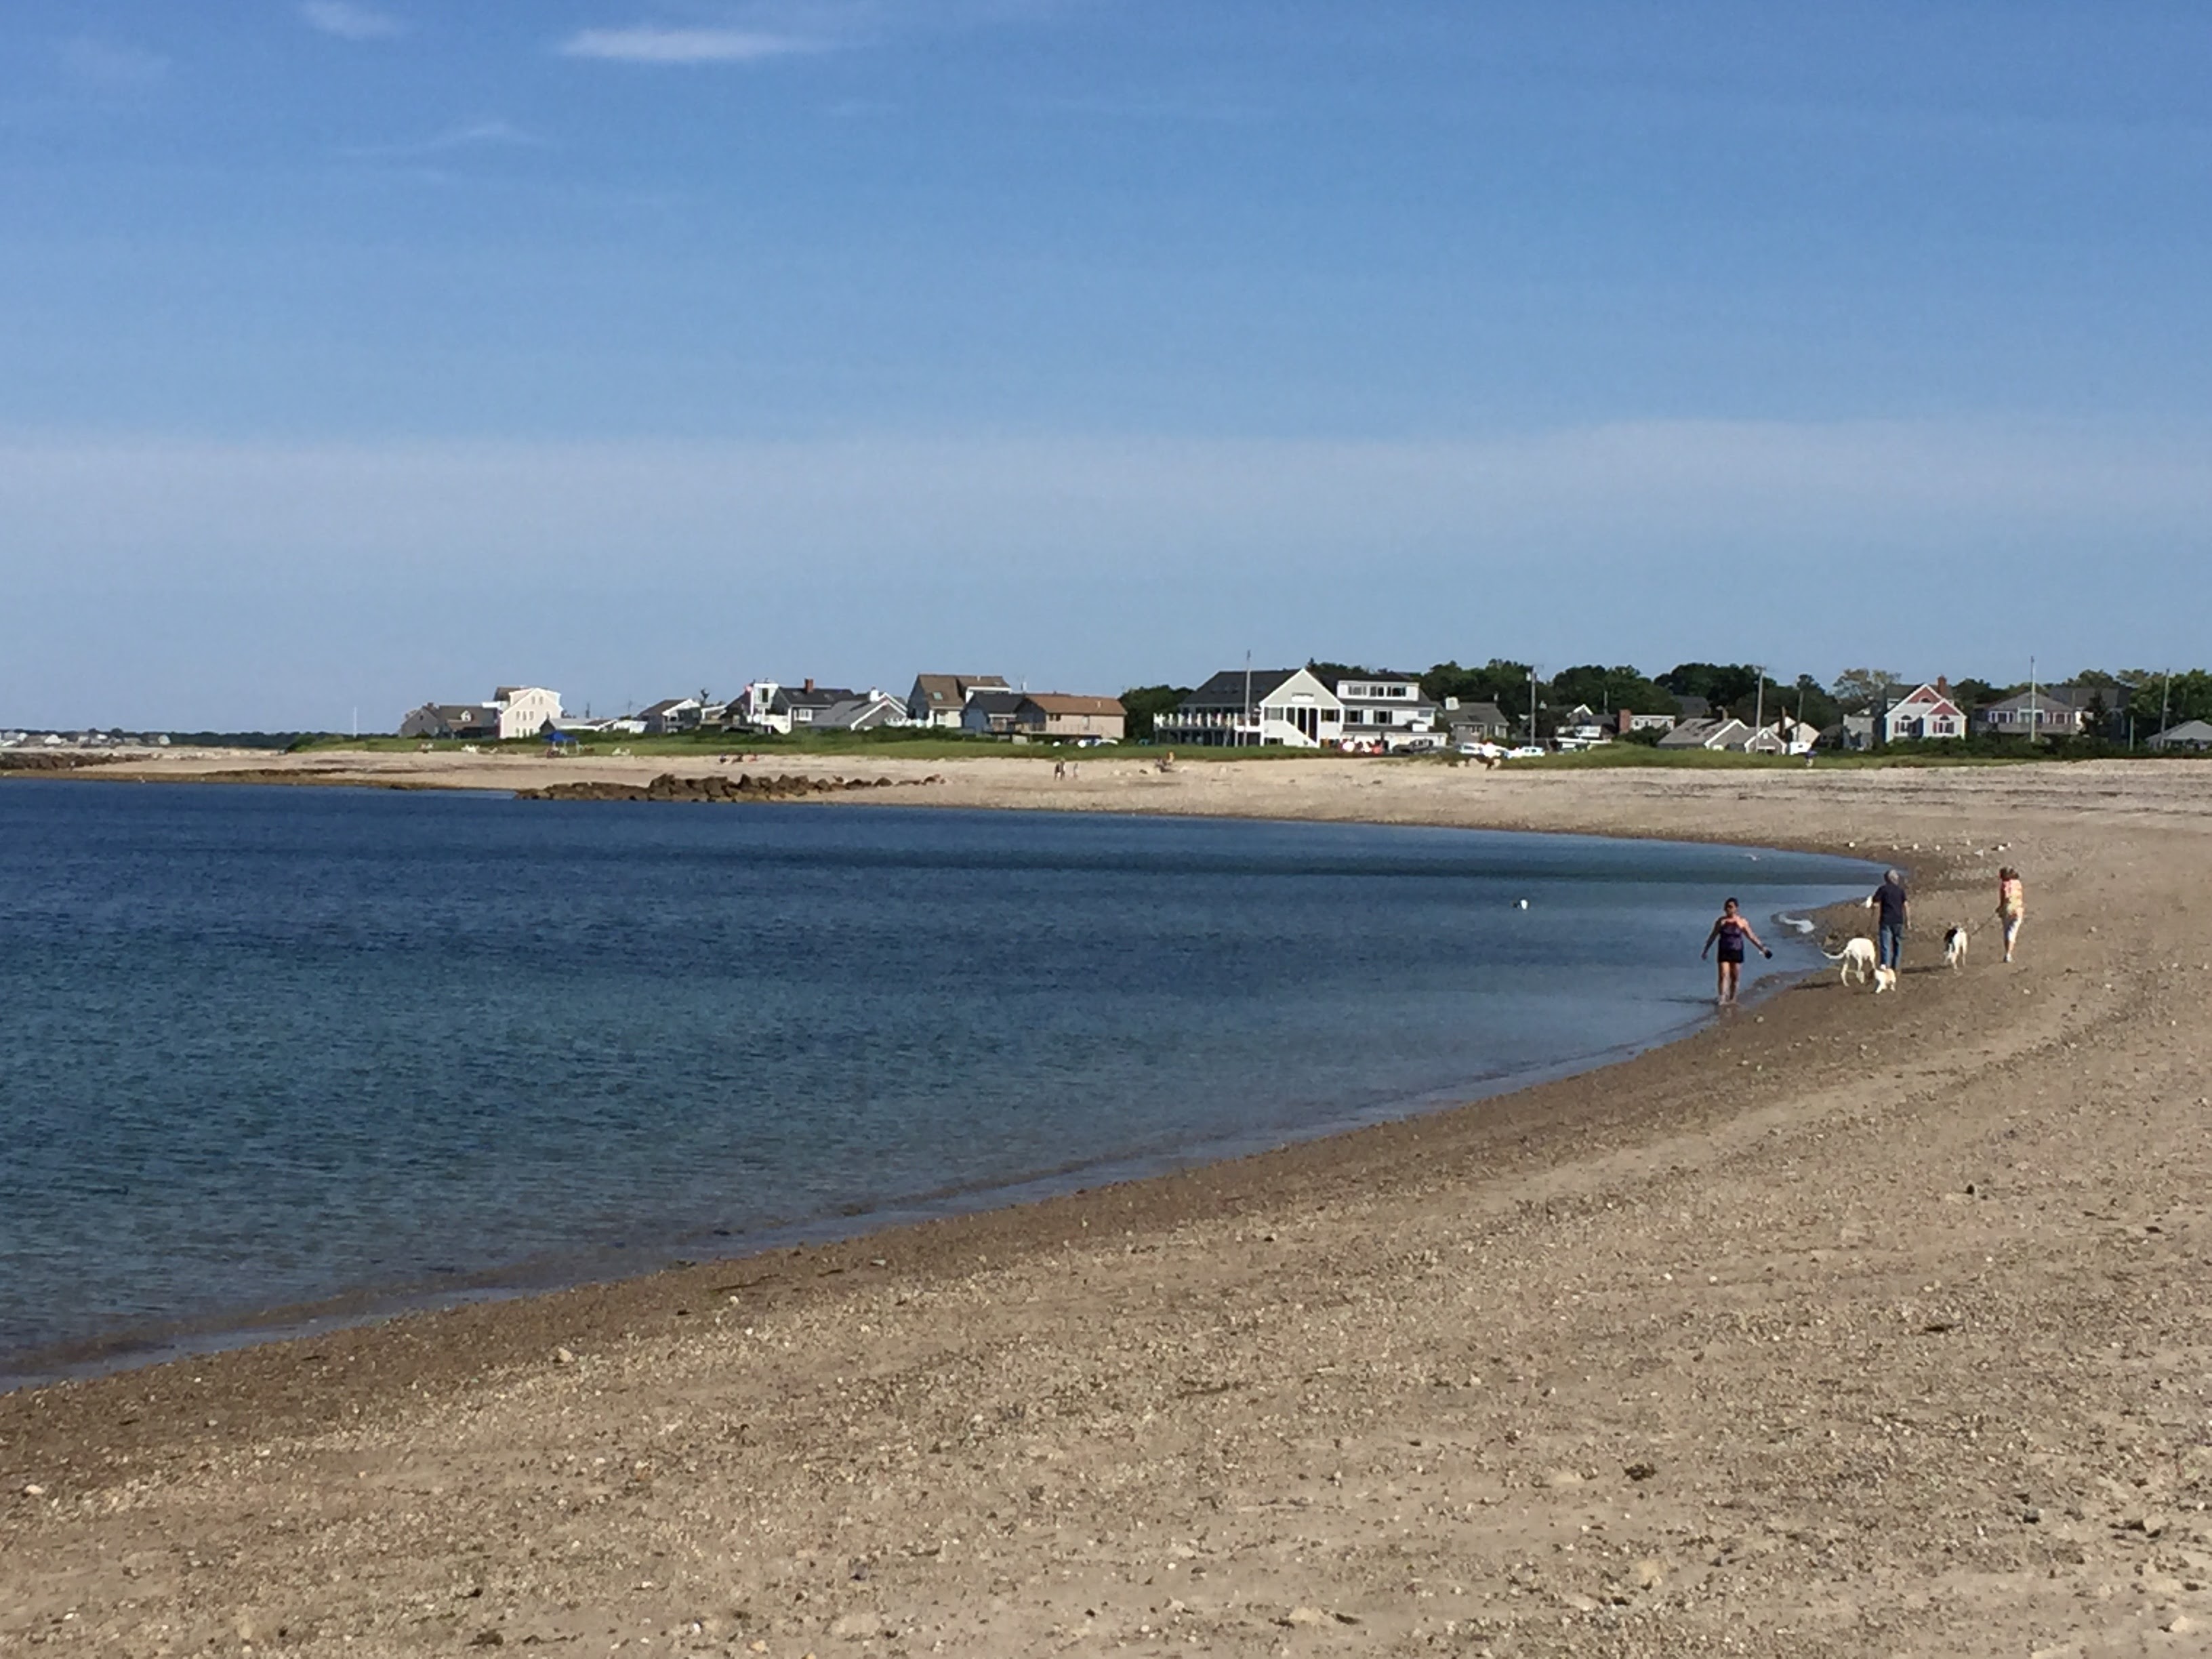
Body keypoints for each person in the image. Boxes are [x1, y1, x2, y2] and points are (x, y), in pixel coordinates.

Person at [1701, 897, 1773, 1006]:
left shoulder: (1742, 922)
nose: (1728, 909)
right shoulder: (1721, 921)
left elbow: (1751, 937)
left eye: (1730, 907)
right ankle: (1722, 998)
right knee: (1723, 974)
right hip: (1724, 951)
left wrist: (1763, 949)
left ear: (1736, 908)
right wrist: (1706, 950)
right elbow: (1713, 936)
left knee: (1735, 976)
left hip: (1737, 951)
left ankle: (1733, 999)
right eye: (1726, 907)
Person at [1870, 867, 1909, 972]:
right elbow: (1905, 906)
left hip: (1886, 920)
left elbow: (1875, 904)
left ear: (1886, 879)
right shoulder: (1900, 891)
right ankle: (1895, 967)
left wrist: (1873, 909)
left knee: (1885, 945)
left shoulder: (1883, 889)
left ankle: (1886, 967)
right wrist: (1908, 920)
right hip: (1898, 920)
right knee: (1897, 944)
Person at [1995, 866, 2026, 963]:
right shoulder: (2018, 883)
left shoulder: (2004, 884)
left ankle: (2008, 954)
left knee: (2007, 931)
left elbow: (2005, 896)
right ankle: (2009, 954)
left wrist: (2000, 907)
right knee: (2013, 931)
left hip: (2007, 910)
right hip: (2018, 909)